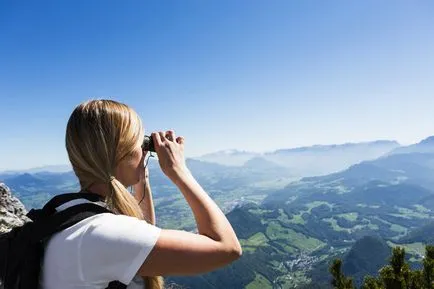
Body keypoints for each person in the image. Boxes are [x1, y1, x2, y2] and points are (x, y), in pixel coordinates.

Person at [41, 99, 242, 289]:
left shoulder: (67, 214)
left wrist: (142, 181)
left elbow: (141, 237)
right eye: (141, 142)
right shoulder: (101, 233)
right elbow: (227, 248)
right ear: (121, 152)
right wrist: (179, 170)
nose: (144, 150)